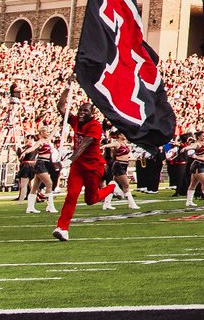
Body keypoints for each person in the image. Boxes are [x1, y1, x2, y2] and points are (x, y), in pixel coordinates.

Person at [52, 86, 119, 241]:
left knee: (91, 199)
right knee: (72, 195)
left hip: (93, 167)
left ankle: (111, 187)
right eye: (80, 110)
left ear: (92, 114)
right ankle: (62, 228)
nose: (81, 113)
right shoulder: (76, 121)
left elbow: (83, 145)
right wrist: (68, 87)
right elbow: (61, 107)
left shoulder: (95, 126)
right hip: (78, 166)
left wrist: (65, 162)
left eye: (85, 111)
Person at [103, 133, 140, 211]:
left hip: (124, 165)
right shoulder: (117, 143)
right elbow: (110, 145)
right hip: (119, 165)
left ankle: (106, 204)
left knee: (113, 184)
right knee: (126, 185)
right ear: (119, 135)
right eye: (123, 134)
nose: (125, 135)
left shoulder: (125, 143)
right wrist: (104, 146)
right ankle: (132, 204)